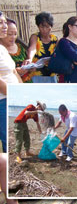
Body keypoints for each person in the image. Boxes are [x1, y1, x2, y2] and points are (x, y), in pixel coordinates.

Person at [0, 11, 22, 153]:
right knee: (9, 140)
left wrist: (22, 91)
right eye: (0, 23)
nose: (4, 26)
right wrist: (14, 95)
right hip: (3, 101)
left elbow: (13, 72)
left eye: (4, 22)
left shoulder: (2, 49)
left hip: (12, 98)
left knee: (14, 138)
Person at [27, 12, 58, 83]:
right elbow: (32, 48)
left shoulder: (55, 39)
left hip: (51, 74)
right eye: (42, 27)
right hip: (37, 74)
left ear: (51, 26)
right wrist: (29, 59)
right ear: (38, 26)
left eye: (47, 27)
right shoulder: (35, 37)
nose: (44, 29)